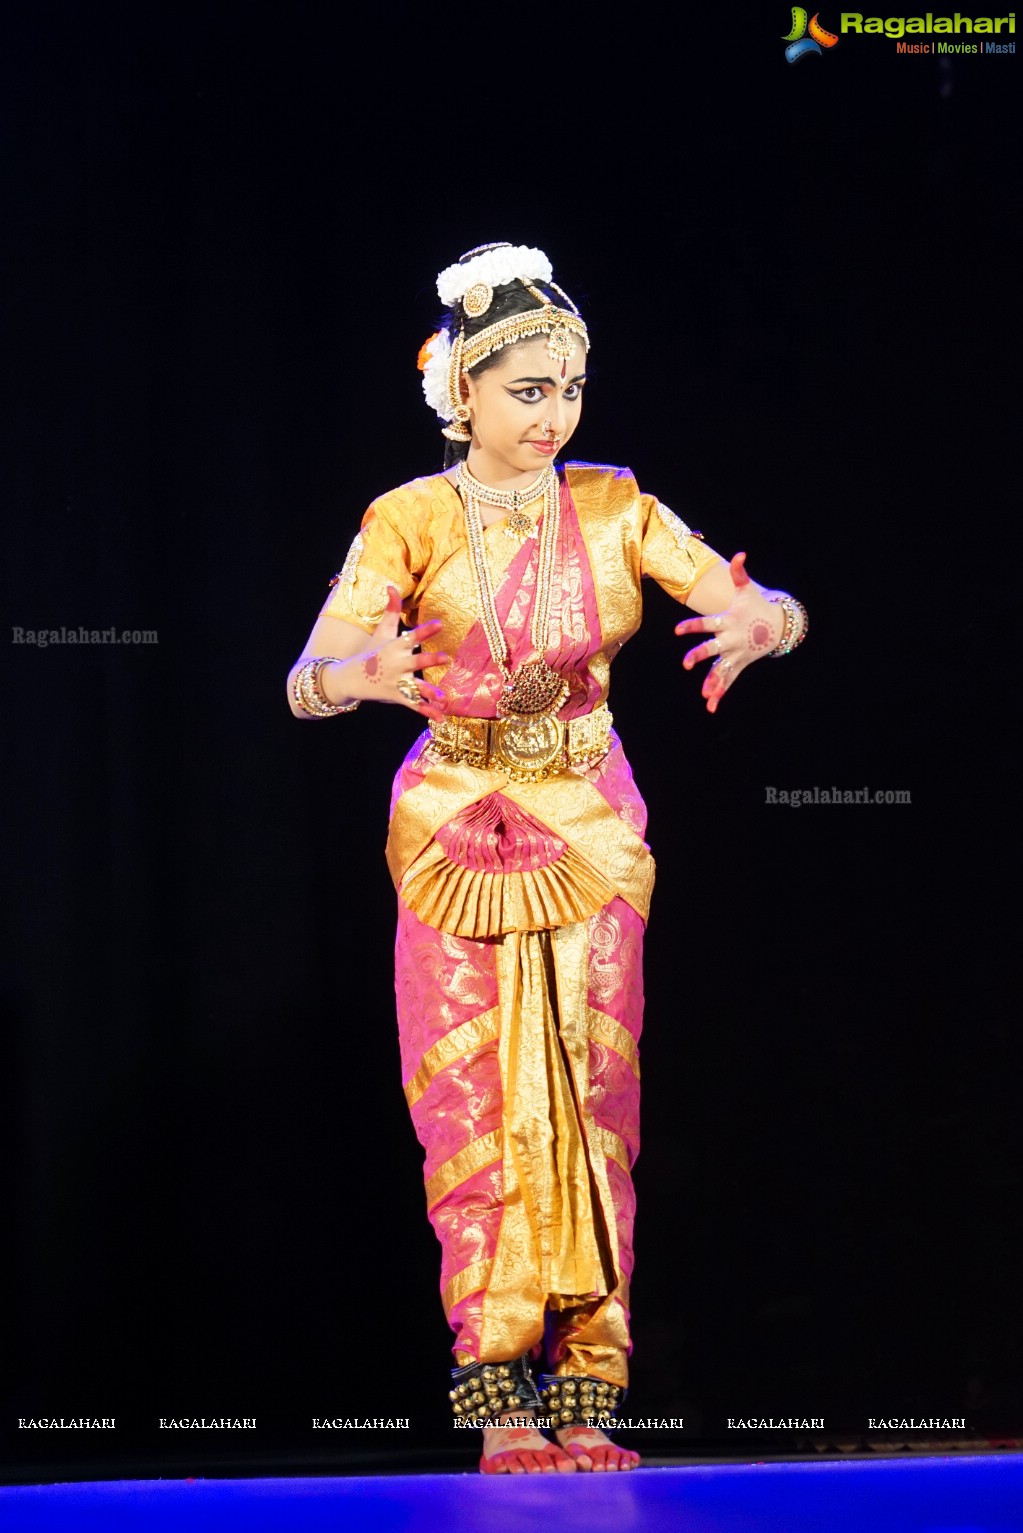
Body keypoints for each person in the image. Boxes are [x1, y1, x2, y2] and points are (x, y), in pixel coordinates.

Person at [286, 243, 807, 1475]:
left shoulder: (616, 502)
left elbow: (758, 596)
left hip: (587, 820)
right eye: (527, 390)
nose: (553, 416)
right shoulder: (405, 518)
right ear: (462, 390)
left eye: (567, 390)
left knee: (591, 1099)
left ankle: (588, 1395)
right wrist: (353, 679)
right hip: (456, 818)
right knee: (473, 1096)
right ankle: (497, 1402)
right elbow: (304, 678)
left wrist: (767, 623)